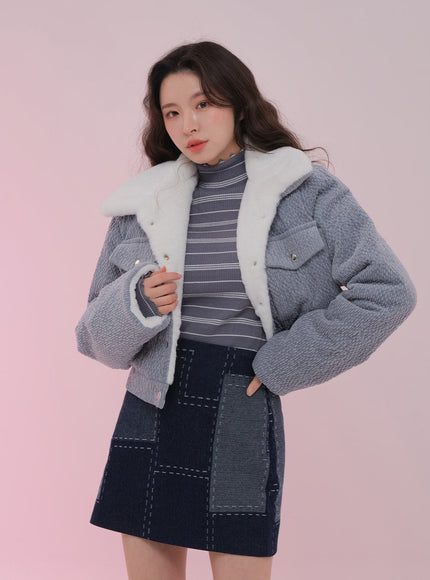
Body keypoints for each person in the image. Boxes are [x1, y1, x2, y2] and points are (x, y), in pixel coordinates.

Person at [75, 41, 417, 580]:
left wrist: (285, 362)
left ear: (237, 102)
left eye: (203, 103)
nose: (188, 124)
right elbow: (91, 337)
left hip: (242, 397)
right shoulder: (142, 204)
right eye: (172, 112)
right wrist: (135, 303)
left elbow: (388, 290)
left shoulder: (306, 192)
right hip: (151, 401)